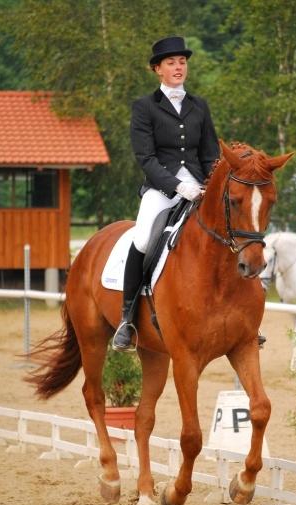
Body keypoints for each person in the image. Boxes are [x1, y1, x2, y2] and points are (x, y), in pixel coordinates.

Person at [112, 36, 220, 351]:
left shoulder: (199, 106)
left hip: (199, 186)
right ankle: (127, 317)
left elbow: (210, 154)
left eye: (182, 62)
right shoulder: (144, 107)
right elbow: (146, 158)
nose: (178, 67)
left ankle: (237, 314)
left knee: (226, 233)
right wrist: (176, 185)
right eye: (171, 63)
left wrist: (211, 184)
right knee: (144, 239)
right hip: (162, 188)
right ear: (157, 69)